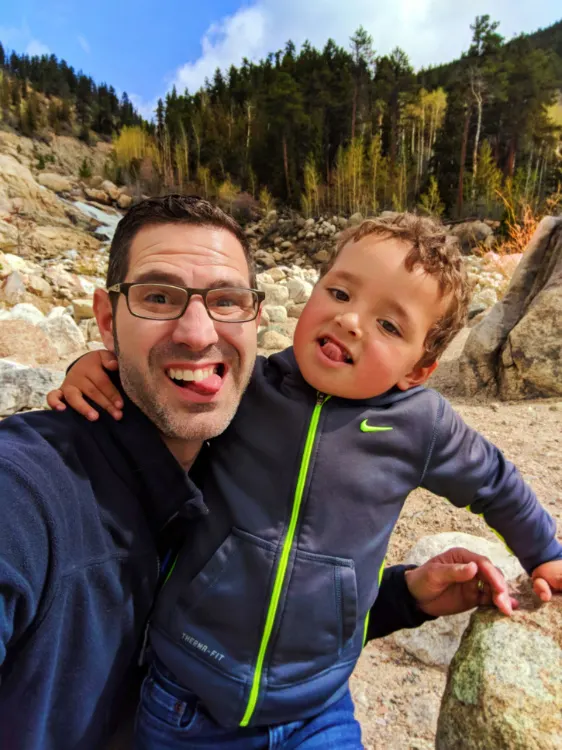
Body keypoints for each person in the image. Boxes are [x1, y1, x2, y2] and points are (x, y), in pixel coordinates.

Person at [0, 197, 515, 750]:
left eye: (225, 301)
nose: (198, 334)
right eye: (158, 297)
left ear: (256, 319)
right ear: (106, 320)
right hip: (183, 713)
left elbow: (278, 574)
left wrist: (402, 597)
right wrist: (90, 367)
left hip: (313, 709)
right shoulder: (30, 487)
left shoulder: (257, 413)